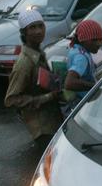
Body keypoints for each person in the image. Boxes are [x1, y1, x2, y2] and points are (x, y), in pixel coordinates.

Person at [4, 9, 63, 147]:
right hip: (42, 128)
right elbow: (11, 99)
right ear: (24, 33)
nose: (38, 31)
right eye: (32, 27)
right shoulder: (24, 63)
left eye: (40, 25)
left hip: (53, 120)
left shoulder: (39, 52)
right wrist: (48, 97)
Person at [64, 19, 102, 110]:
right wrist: (95, 87)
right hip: (82, 101)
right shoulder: (81, 58)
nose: (99, 43)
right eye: (94, 40)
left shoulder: (77, 49)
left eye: (100, 39)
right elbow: (69, 83)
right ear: (83, 39)